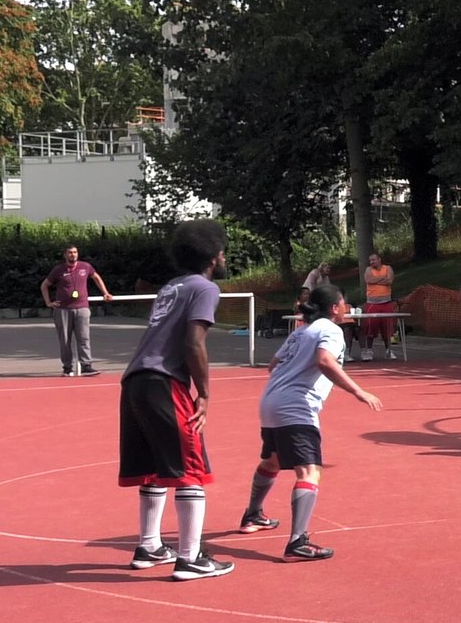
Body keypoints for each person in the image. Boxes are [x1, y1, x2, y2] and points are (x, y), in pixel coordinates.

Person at [118, 219, 234, 581]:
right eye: (222, 252)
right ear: (213, 256)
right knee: (190, 469)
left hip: (135, 381)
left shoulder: (172, 286)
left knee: (154, 467)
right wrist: (205, 393)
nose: (224, 257)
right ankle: (190, 557)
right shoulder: (205, 288)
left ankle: (150, 546)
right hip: (164, 382)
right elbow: (193, 343)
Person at [238, 284, 383, 563]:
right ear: (334, 308)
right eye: (344, 302)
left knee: (272, 461)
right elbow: (325, 361)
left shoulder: (301, 331)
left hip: (270, 402)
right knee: (309, 472)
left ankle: (253, 515)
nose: (346, 307)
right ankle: (297, 542)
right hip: (295, 407)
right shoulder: (331, 330)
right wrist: (358, 391)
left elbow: (273, 365)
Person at [40, 244, 113, 376]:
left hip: (82, 308)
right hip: (63, 310)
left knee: (84, 338)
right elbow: (44, 285)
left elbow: (96, 278)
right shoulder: (58, 270)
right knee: (65, 340)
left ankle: (86, 366)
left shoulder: (85, 267)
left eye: (75, 252)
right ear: (65, 255)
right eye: (70, 252)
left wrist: (105, 293)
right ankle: (67, 368)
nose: (72, 255)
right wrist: (48, 302)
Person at [360, 253, 398, 361]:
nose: (371, 262)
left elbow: (389, 280)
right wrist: (382, 278)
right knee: (371, 326)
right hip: (372, 303)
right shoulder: (368, 270)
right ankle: (369, 350)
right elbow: (369, 280)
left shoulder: (388, 268)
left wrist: (376, 280)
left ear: (379, 259)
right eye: (370, 260)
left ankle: (388, 350)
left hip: (386, 302)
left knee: (388, 327)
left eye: (373, 260)